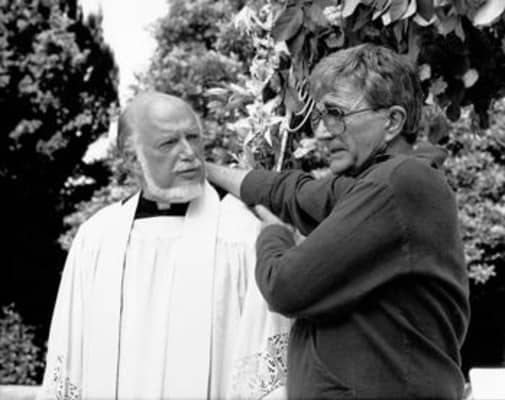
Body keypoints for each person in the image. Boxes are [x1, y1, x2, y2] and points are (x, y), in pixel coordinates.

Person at [206, 44, 470, 399]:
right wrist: (205, 170)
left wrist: (274, 236)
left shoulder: (398, 182)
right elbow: (292, 192)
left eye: (336, 114)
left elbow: (285, 286)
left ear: (392, 121)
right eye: (320, 116)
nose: (323, 131)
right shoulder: (377, 184)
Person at [38, 92, 291, 400]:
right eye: (169, 142)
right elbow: (69, 353)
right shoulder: (96, 239)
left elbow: (264, 362)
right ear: (132, 159)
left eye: (193, 138)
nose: (189, 153)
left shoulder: (241, 234)